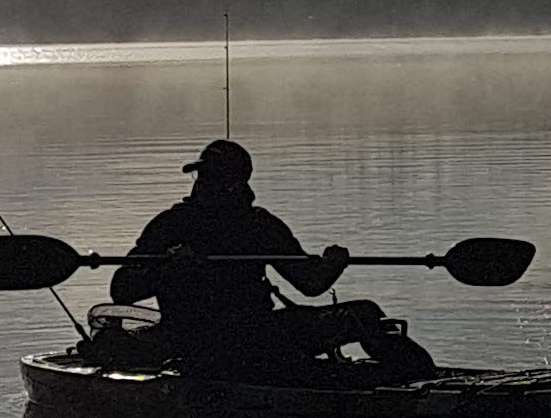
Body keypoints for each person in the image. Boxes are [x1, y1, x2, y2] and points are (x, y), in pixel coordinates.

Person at [112, 140, 432, 382]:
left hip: (259, 334)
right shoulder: (173, 226)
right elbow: (122, 289)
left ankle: (419, 383)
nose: (201, 185)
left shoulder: (258, 225)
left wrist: (334, 263)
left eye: (209, 178)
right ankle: (413, 383)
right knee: (360, 317)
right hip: (201, 343)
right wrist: (168, 267)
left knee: (364, 314)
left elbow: (310, 283)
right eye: (202, 177)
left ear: (234, 184)